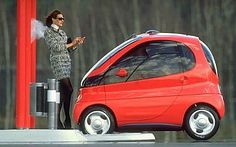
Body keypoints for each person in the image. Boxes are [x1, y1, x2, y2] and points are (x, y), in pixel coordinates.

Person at [44, 10, 85, 129]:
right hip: (58, 63)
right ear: (53, 19)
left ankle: (61, 120)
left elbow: (68, 49)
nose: (62, 20)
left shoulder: (62, 33)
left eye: (63, 18)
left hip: (66, 62)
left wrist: (75, 43)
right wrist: (71, 44)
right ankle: (65, 119)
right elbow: (56, 47)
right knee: (69, 88)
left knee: (65, 91)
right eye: (60, 18)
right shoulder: (48, 33)